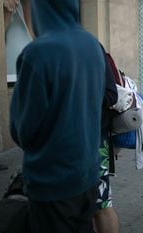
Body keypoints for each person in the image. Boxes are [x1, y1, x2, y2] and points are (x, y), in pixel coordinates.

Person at [9, 1, 106, 232]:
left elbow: (22, 130)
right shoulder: (92, 45)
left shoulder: (38, 53)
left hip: (53, 183)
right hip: (87, 175)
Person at [93, 48, 120, 233]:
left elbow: (112, 95)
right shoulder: (44, 51)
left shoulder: (92, 49)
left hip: (95, 144)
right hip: (59, 148)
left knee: (101, 204)